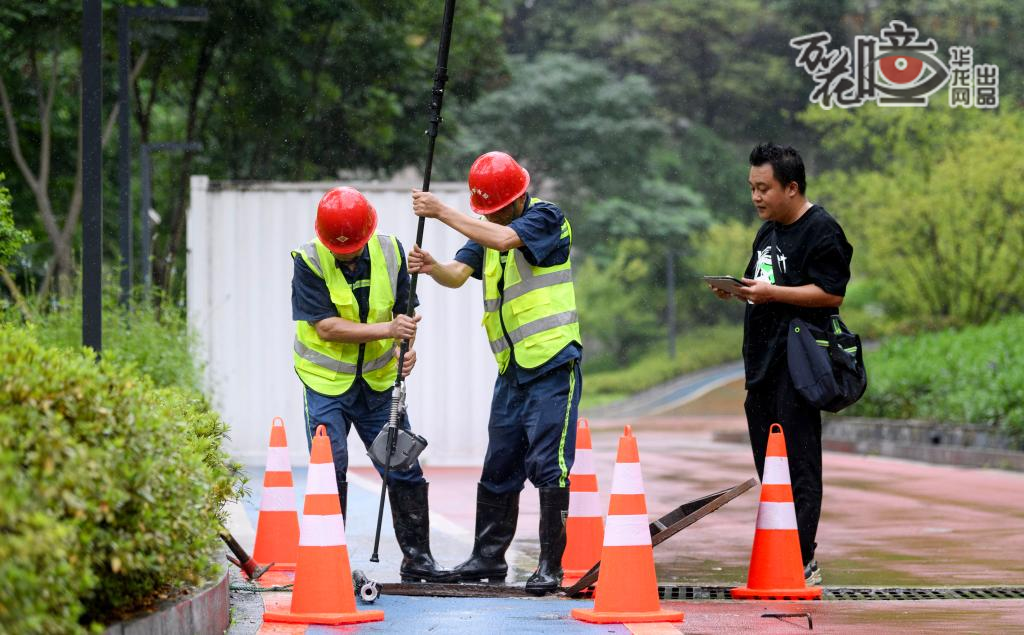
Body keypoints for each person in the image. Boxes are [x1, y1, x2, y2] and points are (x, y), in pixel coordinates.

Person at [407, 151, 583, 595]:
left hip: (552, 363)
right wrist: (432, 267)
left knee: (549, 466)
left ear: (519, 196)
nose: (489, 215)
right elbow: (458, 273)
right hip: (511, 369)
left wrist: (442, 211)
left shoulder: (547, 218)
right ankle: (487, 558)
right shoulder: (487, 226)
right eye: (484, 210)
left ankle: (549, 565)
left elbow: (505, 240)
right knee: (499, 464)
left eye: (496, 208)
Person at [291, 186, 451, 582]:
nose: (346, 255)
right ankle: (327, 566)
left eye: (353, 248)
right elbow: (326, 327)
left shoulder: (392, 252)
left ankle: (419, 560)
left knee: (403, 465)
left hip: (378, 385)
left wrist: (405, 348)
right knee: (332, 469)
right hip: (326, 385)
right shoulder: (309, 260)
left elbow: (406, 314)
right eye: (339, 250)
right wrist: (388, 328)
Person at [710, 143, 852, 585]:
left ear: (791, 187)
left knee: (800, 465)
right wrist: (739, 290)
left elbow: (831, 293)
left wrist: (773, 294)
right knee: (771, 467)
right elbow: (764, 282)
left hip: (801, 368)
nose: (756, 197)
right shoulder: (767, 232)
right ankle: (781, 551)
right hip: (762, 368)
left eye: (764, 188)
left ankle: (802, 560)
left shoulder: (822, 229)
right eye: (752, 188)